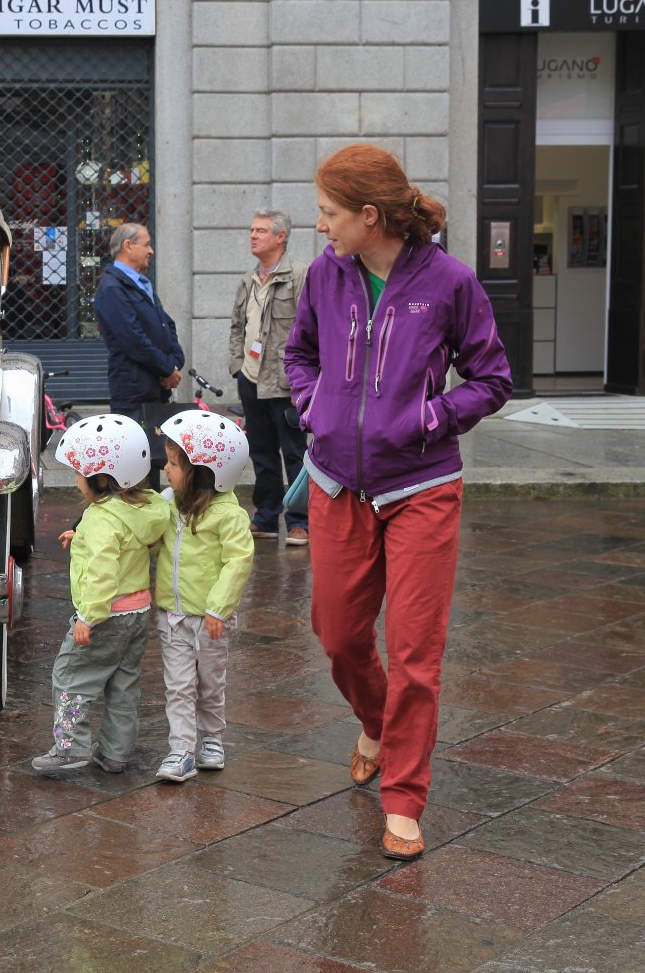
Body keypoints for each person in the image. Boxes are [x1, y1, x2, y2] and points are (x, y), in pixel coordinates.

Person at [283, 144, 512, 861]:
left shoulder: (449, 282)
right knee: (338, 635)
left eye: (329, 212)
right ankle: (378, 723)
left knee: (416, 651)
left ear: (369, 215)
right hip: (336, 483)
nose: (320, 225)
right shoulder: (324, 275)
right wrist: (314, 405)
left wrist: (430, 417)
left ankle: (405, 798)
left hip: (422, 487)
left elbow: (492, 378)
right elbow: (299, 355)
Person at [33, 413, 171, 776]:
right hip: (137, 612)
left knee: (69, 676)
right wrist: (81, 536)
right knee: (124, 683)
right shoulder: (146, 508)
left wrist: (88, 617)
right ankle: (115, 752)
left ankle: (69, 748)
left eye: (79, 473)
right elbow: (129, 544)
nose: (76, 480)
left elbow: (102, 573)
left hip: (105, 614)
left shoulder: (100, 518)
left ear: (103, 478)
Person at [151, 409, 253, 783]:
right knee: (178, 686)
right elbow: (141, 533)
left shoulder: (228, 515)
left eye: (174, 464)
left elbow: (238, 561)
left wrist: (218, 608)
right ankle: (181, 750)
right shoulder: (167, 503)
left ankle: (212, 738)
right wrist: (86, 536)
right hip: (173, 616)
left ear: (203, 473)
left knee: (210, 684)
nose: (165, 469)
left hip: (211, 620)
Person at [228, 208, 310, 547]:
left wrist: (305, 379)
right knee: (261, 452)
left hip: (285, 382)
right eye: (252, 229)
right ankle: (265, 518)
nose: (253, 235)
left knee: (294, 454)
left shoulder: (300, 275)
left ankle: (300, 522)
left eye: (261, 230)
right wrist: (237, 366)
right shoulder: (248, 280)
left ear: (281, 237)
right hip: (250, 379)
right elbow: (237, 326)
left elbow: (312, 330)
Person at [93, 223, 184, 417]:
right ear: (128, 246)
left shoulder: (141, 283)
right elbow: (133, 339)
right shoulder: (112, 288)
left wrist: (174, 363)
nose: (151, 251)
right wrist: (167, 369)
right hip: (134, 396)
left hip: (155, 390)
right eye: (146, 244)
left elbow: (166, 324)